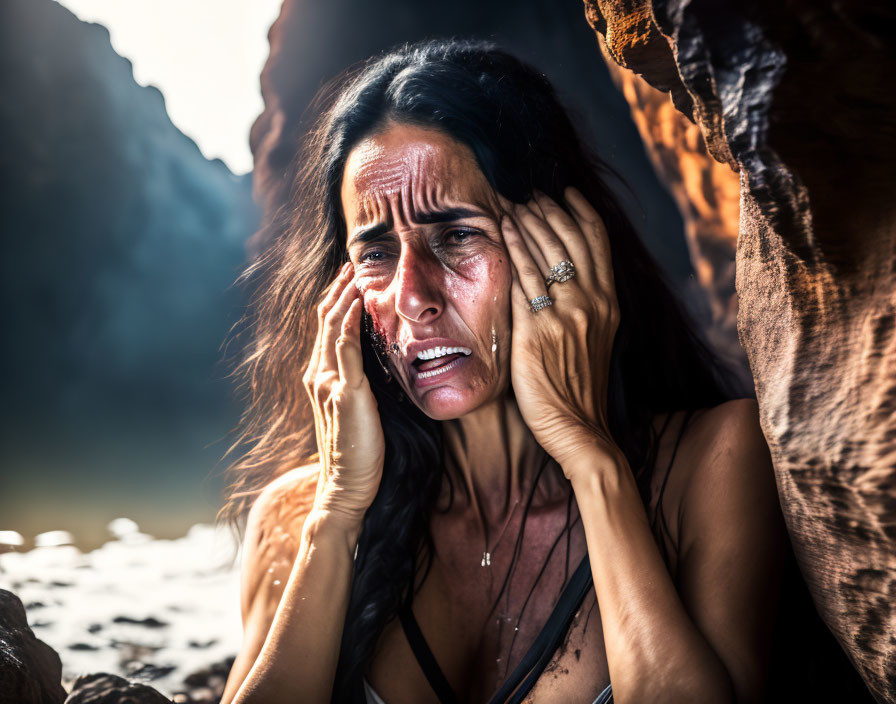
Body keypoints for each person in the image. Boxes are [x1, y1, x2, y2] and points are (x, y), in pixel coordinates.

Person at [218, 38, 787, 704]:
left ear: (564, 244)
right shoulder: (297, 515)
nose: (413, 297)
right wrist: (339, 511)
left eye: (456, 235)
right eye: (374, 252)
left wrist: (591, 459)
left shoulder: (715, 462)